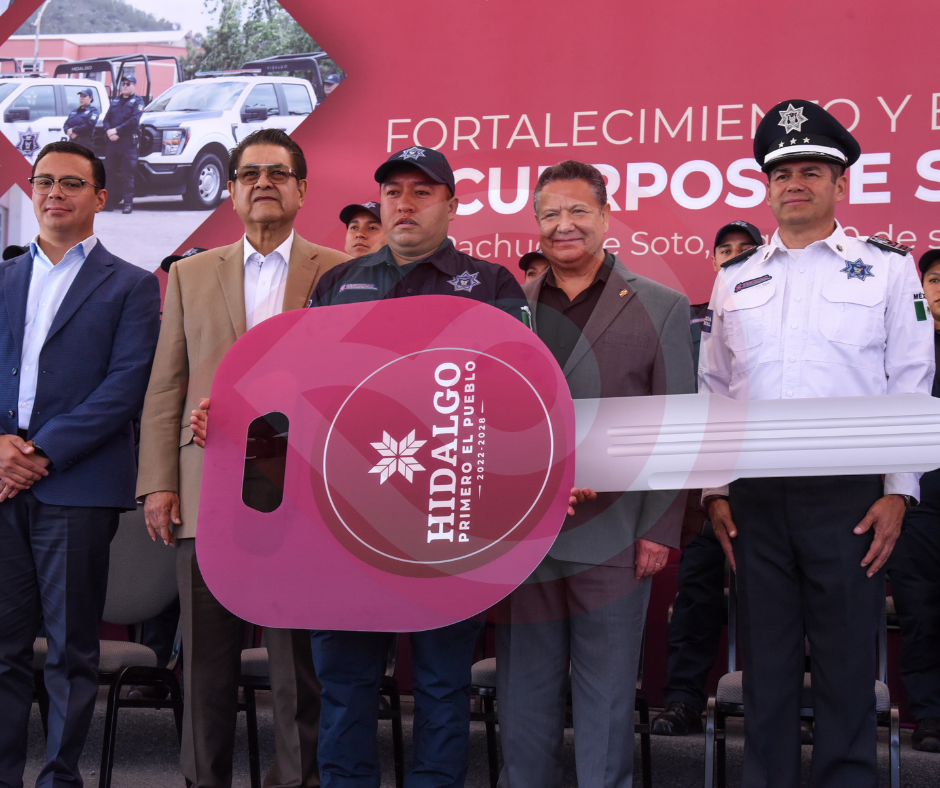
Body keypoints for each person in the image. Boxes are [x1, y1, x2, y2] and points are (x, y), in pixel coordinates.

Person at [192, 145, 527, 788]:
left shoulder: (491, 286)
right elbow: (298, 401)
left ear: (452, 205)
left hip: (447, 518)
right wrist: (236, 427)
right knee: (344, 685)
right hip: (344, 521)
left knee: (441, 684)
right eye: (393, 191)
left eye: (422, 191)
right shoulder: (338, 284)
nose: (404, 203)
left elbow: (518, 402)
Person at [699, 100, 934, 788]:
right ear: (768, 187)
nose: (794, 184)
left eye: (811, 171)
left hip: (849, 500)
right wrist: (715, 489)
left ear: (840, 183)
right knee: (766, 672)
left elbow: (911, 381)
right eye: (782, 173)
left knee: (846, 670)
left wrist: (899, 490)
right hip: (755, 501)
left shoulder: (888, 269)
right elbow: (717, 388)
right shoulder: (735, 276)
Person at [136, 128, 349, 788]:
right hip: (207, 488)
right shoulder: (190, 274)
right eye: (250, 173)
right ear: (230, 191)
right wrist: (159, 483)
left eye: (277, 173)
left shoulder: (340, 271)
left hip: (303, 495)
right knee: (204, 664)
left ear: (302, 189)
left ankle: (297, 781)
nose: (263, 183)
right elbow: (167, 385)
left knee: (297, 669)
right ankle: (205, 780)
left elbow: (350, 386)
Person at [496, 160, 695, 788]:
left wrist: (660, 527)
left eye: (579, 211)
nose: (565, 225)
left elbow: (677, 422)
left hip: (617, 532)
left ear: (606, 217)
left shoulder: (661, 305)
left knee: (606, 696)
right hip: (526, 535)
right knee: (524, 693)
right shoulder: (509, 309)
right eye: (551, 213)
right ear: (536, 222)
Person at [0, 140, 160, 788]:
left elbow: (125, 387)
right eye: (44, 181)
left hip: (78, 486)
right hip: (2, 483)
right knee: (4, 649)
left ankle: (60, 777)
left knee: (70, 650)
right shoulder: (4, 278)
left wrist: (40, 451)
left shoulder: (132, 284)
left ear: (100, 197)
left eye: (71, 183)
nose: (54, 193)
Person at [652, 220, 761, 737]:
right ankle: (682, 700)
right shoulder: (687, 320)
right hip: (701, 485)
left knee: (773, 600)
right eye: (726, 249)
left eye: (746, 249)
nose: (734, 256)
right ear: (712, 259)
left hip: (763, 482)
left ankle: (778, 707)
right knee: (696, 592)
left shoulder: (779, 318)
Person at [886, 248, 940, 753]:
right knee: (920, 613)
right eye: (936, 279)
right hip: (918, 502)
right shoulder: (903, 346)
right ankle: (930, 715)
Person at [102, 75, 144, 214]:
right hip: (113, 142)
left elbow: (134, 121)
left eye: (128, 83)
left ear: (134, 86)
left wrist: (117, 131)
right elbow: (106, 119)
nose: (125, 86)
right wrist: (109, 131)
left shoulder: (138, 101)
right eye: (123, 83)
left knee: (127, 174)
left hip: (127, 143)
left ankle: (127, 204)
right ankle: (108, 203)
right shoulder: (115, 101)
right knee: (109, 173)